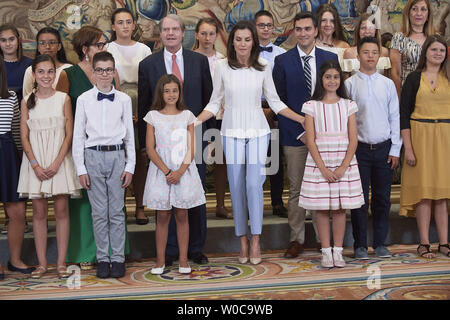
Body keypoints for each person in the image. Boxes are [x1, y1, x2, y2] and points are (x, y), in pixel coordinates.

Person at [196, 20, 306, 265]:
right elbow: (215, 103)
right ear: (232, 42)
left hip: (258, 131)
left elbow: (275, 102)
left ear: (253, 42)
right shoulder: (222, 67)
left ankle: (256, 239)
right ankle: (242, 240)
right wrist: (192, 121)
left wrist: (301, 119)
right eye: (238, 39)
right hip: (231, 132)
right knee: (236, 186)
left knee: (254, 185)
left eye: (247, 39)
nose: (243, 44)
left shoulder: (264, 66)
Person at [138, 14, 212, 266]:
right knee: (166, 202)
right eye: (166, 29)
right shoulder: (147, 64)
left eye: (175, 29)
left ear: (183, 33)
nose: (170, 33)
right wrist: (144, 147)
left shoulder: (199, 61)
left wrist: (210, 140)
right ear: (161, 34)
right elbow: (145, 102)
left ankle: (195, 248)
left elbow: (208, 99)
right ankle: (169, 252)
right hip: (162, 145)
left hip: (193, 141)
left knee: (194, 195)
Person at [56, 25, 122, 271]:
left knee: (113, 204)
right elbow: (61, 113)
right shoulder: (68, 75)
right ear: (85, 49)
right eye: (100, 44)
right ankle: (86, 251)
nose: (104, 48)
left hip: (109, 148)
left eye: (104, 44)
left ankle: (115, 253)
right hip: (80, 146)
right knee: (84, 201)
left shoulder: (110, 73)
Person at [273, 12, 338, 258]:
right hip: (295, 136)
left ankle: (325, 240)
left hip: (327, 136)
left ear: (315, 31)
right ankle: (296, 239)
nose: (303, 33)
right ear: (293, 32)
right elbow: (278, 102)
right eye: (298, 29)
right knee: (297, 189)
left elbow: (336, 95)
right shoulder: (283, 61)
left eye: (307, 29)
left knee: (324, 188)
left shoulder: (330, 58)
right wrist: (301, 129)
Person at [17, 54, 81, 279]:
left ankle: (61, 263)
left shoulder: (63, 98)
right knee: (39, 212)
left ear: (56, 74)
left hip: (59, 160)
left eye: (50, 71)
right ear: (34, 75)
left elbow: (69, 134)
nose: (46, 76)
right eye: (41, 72)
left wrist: (56, 163)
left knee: (62, 210)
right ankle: (42, 264)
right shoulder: (26, 100)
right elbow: (24, 136)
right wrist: (35, 164)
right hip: (35, 162)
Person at [73, 51, 135, 279]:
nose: (105, 74)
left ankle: (117, 258)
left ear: (114, 72)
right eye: (100, 70)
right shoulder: (83, 100)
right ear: (93, 73)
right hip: (93, 157)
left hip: (117, 156)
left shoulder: (124, 100)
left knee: (116, 212)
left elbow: (129, 135)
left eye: (109, 70)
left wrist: (130, 166)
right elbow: (78, 136)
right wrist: (81, 168)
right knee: (99, 213)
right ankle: (103, 258)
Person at [299, 60, 364, 268]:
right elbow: (310, 140)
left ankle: (338, 251)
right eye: (328, 77)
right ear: (321, 79)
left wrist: (343, 166)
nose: (332, 80)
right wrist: (324, 169)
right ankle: (325, 251)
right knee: (321, 208)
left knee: (339, 208)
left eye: (336, 77)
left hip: (343, 160)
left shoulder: (348, 104)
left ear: (341, 79)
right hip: (320, 161)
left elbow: (353, 139)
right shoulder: (311, 106)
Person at [345, 37, 402, 259]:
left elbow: (394, 117)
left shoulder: (387, 84)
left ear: (380, 57)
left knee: (382, 198)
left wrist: (395, 149)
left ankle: (379, 243)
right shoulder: (349, 85)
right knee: (359, 199)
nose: (370, 56)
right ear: (358, 56)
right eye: (366, 52)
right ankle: (360, 245)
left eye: (374, 52)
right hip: (358, 149)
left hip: (383, 148)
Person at [144, 74, 205, 275]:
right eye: (167, 91)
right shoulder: (153, 116)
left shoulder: (187, 115)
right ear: (161, 93)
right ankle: (160, 260)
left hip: (183, 171)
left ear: (180, 93)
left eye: (175, 90)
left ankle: (183, 260)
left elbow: (190, 148)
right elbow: (150, 149)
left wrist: (179, 171)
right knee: (162, 216)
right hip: (161, 171)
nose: (171, 94)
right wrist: (167, 171)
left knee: (182, 214)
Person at [399, 35, 449, 259]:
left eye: (442, 50)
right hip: (420, 137)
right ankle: (424, 243)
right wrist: (407, 148)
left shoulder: (449, 77)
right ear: (425, 52)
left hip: (445, 139)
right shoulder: (413, 78)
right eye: (434, 49)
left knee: (442, 194)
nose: (438, 54)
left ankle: (445, 242)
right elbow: (404, 115)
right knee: (424, 193)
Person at [107, 7, 152, 225]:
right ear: (113, 26)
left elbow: (150, 81)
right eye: (120, 22)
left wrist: (140, 112)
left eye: (128, 22)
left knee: (141, 158)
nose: (125, 26)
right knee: (120, 159)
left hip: (141, 103)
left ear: (134, 25)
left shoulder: (144, 49)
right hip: (116, 104)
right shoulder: (107, 48)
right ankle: (120, 206)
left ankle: (141, 206)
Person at [0, 55, 35, 280]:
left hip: (7, 154)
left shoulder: (11, 96)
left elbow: (16, 130)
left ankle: (15, 260)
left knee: (18, 212)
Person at [192, 18, 231, 219]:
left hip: (220, 115)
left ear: (217, 36)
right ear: (196, 35)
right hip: (198, 116)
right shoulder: (189, 59)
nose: (207, 38)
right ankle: (198, 205)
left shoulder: (223, 60)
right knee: (198, 159)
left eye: (211, 34)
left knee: (221, 161)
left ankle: (221, 204)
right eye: (203, 33)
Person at [254, 10, 287, 218]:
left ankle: (277, 201)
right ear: (255, 27)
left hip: (275, 111)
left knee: (275, 157)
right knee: (254, 159)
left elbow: (283, 86)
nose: (265, 29)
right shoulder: (247, 52)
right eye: (261, 25)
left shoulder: (282, 54)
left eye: (268, 25)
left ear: (273, 28)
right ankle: (253, 202)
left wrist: (273, 110)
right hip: (252, 110)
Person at [0, 24, 32, 234]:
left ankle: (22, 217)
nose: (8, 43)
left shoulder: (28, 65)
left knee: (21, 172)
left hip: (26, 120)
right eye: (3, 40)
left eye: (11, 39)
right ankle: (7, 217)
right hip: (4, 121)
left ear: (18, 39)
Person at [390, 0, 435, 98]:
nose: (419, 13)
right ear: (408, 13)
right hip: (408, 93)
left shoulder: (435, 38)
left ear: (428, 14)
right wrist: (398, 97)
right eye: (414, 9)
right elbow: (395, 73)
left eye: (423, 9)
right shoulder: (399, 38)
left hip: (431, 94)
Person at [22, 27, 72, 98]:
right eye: (42, 43)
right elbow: (27, 99)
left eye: (52, 42)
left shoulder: (69, 69)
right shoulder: (30, 70)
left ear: (59, 46)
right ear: (38, 47)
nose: (47, 46)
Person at [343, 13, 391, 78]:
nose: (367, 31)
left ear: (376, 30)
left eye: (371, 28)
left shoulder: (384, 52)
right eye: (363, 28)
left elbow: (387, 78)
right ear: (358, 30)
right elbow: (345, 82)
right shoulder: (349, 53)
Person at [315, 4, 350, 68]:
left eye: (332, 21)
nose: (328, 24)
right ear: (317, 22)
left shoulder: (345, 46)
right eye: (323, 20)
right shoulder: (310, 46)